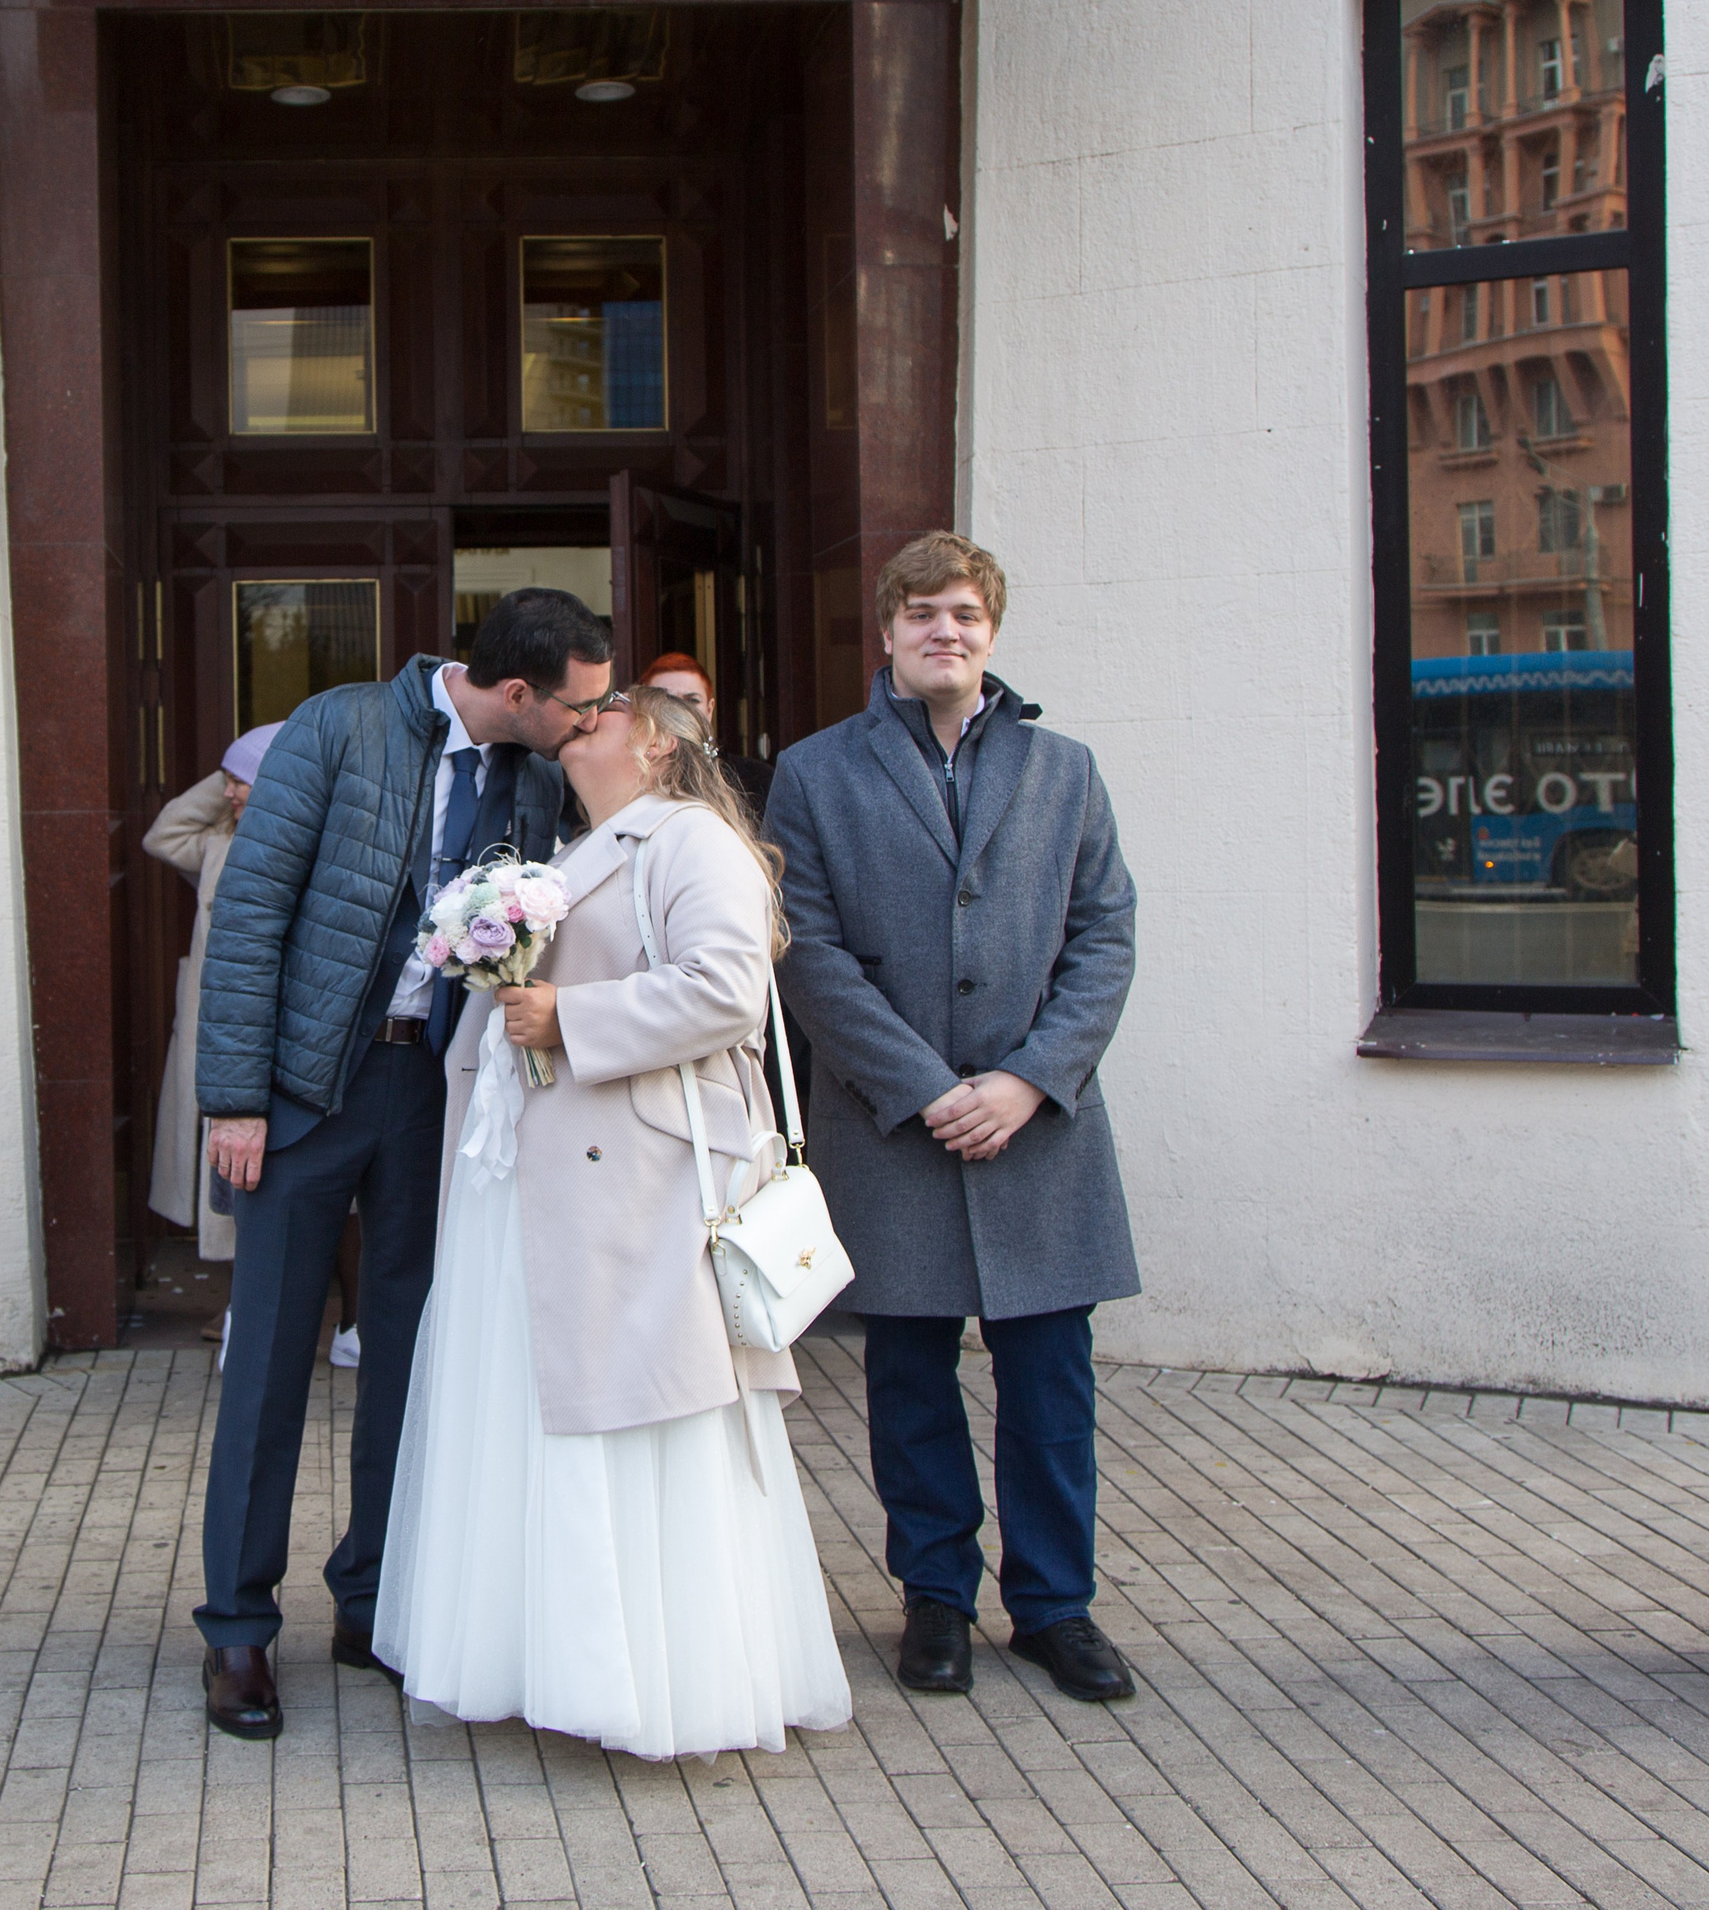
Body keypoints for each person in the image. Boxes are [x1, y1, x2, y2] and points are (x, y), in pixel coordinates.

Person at [375, 685, 852, 1758]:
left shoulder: (693, 839)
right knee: (549, 1424)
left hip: (636, 1186)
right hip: (548, 1179)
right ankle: (547, 1659)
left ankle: (656, 1681)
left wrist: (567, 1015)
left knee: (644, 1421)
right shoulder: (577, 844)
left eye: (600, 713)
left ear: (656, 742)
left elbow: (728, 990)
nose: (575, 723)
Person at [191, 588, 609, 1740]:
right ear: (517, 691)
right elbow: (252, 913)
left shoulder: (534, 774)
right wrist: (234, 1096)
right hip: (304, 1093)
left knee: (415, 1358)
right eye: (574, 706)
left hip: (437, 1095)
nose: (584, 726)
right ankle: (236, 1629)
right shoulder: (337, 728)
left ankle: (373, 1600)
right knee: (272, 1358)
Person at [764, 532, 1141, 1704]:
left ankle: (1053, 1608)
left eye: (966, 615)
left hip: (1040, 1127)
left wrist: (1029, 1078)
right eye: (922, 613)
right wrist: (925, 1088)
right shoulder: (817, 774)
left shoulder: (1065, 769)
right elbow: (806, 953)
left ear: (992, 633)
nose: (946, 632)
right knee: (910, 1380)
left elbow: (1105, 935)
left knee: (1050, 1384)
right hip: (896, 1127)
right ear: (886, 633)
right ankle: (934, 1596)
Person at [145, 726, 365, 1366]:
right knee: (236, 1186)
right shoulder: (218, 846)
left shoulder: (324, 849)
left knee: (323, 1187)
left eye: (246, 779)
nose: (234, 792)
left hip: (294, 1048)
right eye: (230, 780)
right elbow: (162, 834)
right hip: (227, 1044)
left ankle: (351, 1320)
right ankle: (249, 1306)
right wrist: (232, 778)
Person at [639, 651, 777, 811]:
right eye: (665, 701)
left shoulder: (756, 778)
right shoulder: (627, 779)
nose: (680, 710)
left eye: (692, 700)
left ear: (710, 709)